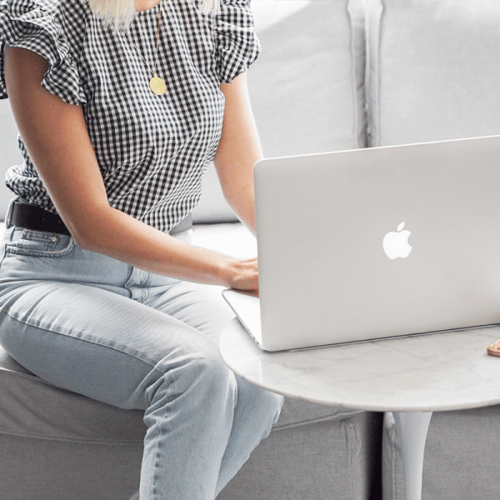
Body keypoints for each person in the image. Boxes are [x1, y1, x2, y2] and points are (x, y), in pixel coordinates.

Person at [0, 0, 284, 498]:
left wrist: (319, 255)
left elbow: (245, 181)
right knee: (197, 371)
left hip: (167, 275)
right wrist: (229, 270)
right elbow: (89, 220)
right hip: (54, 271)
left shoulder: (212, 10)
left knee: (260, 370)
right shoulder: (41, 20)